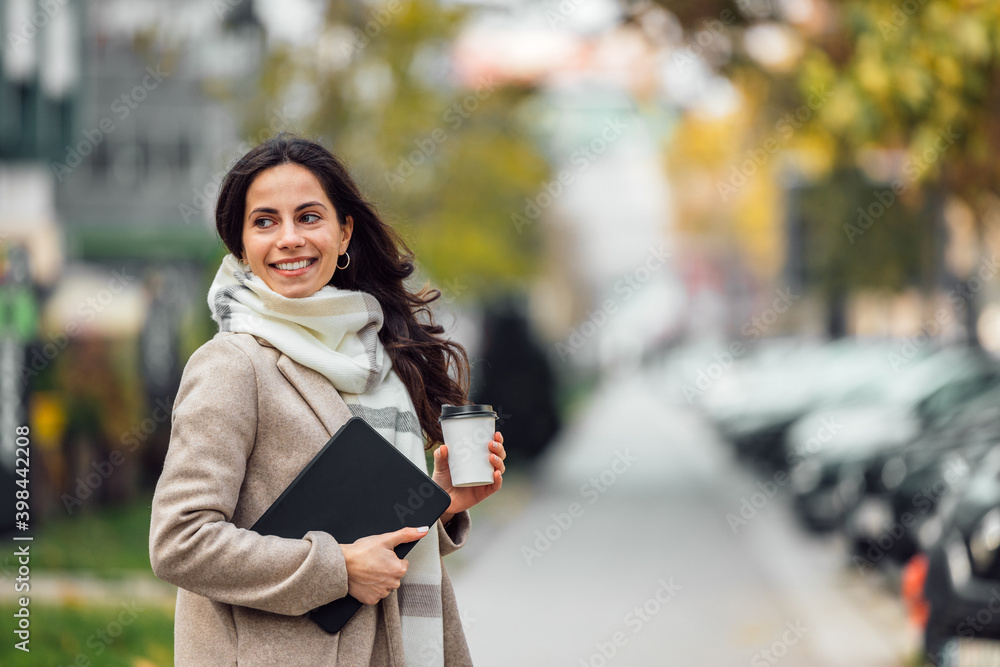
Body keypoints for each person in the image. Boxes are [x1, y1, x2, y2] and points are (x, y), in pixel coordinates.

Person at [149, 134, 506, 666]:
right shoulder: (232, 364)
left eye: (309, 217)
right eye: (264, 221)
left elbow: (368, 537)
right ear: (241, 245)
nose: (288, 238)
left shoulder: (381, 363)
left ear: (344, 234)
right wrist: (336, 569)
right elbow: (180, 540)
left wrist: (436, 503)